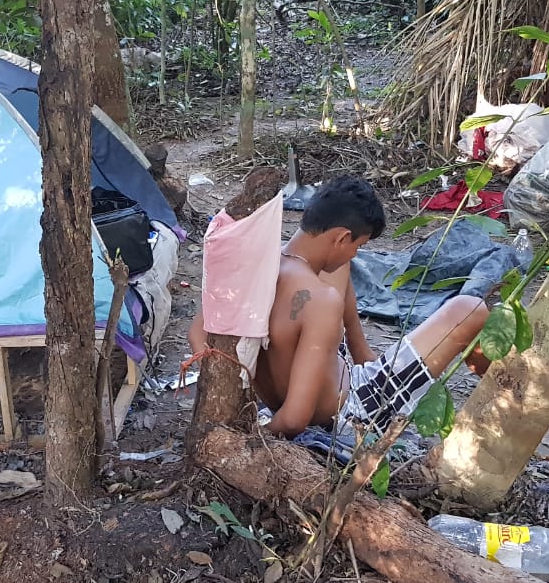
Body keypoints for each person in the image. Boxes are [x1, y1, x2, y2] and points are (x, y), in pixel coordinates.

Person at [190, 176, 490, 437]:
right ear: (343, 237)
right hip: (351, 412)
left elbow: (196, 334)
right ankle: (496, 390)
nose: (355, 254)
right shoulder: (320, 301)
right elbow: (294, 420)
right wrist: (259, 437)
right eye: (358, 246)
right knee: (469, 307)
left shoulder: (255, 267)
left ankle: (363, 355)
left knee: (335, 268)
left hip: (302, 380)